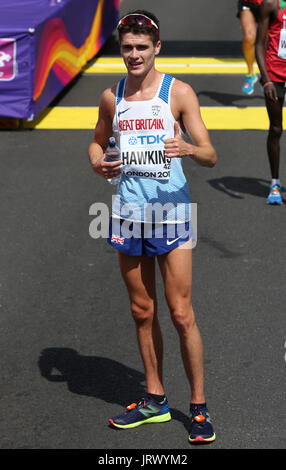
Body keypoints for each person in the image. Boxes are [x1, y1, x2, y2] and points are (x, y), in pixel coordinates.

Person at [88, 10, 217, 444]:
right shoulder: (112, 96)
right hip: (126, 212)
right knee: (142, 312)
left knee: (181, 314)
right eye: (127, 48)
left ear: (157, 47)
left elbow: (211, 154)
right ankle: (155, 399)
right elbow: (97, 139)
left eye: (142, 47)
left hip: (171, 214)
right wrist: (96, 161)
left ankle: (198, 409)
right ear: (120, 50)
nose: (134, 55)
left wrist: (187, 147)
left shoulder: (177, 92)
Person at [255, 0, 286, 204]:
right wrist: (266, 80)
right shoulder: (272, 4)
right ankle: (274, 182)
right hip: (275, 75)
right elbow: (258, 44)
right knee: (275, 129)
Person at [237, 0, 263, 94]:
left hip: (269, 3)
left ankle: (266, 76)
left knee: (266, 40)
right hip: (247, 3)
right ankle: (250, 74)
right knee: (249, 37)